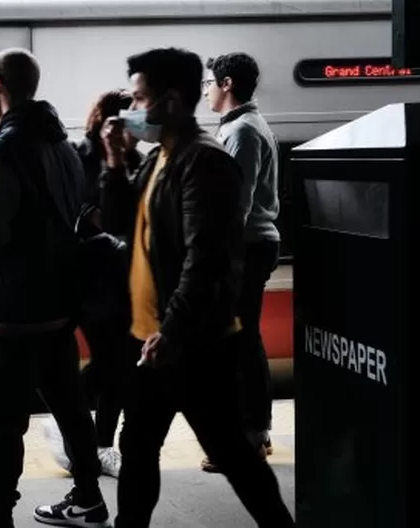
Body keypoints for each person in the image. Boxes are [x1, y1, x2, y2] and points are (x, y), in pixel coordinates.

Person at [99, 47, 295, 527]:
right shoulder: (159, 159)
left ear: (168, 100)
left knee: (231, 452)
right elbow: (123, 224)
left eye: (140, 98)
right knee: (139, 447)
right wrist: (115, 162)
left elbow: (205, 260)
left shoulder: (204, 162)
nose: (134, 109)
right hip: (156, 339)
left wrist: (174, 331)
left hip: (190, 343)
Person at [0, 48, 111, 528]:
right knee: (71, 409)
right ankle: (88, 497)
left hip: (7, 313)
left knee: (1, 421)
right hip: (58, 307)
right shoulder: (62, 149)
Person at [43, 90, 142, 478]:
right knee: (113, 361)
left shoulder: (135, 161)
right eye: (130, 120)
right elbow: (72, 213)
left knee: (119, 364)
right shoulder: (80, 157)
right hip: (89, 276)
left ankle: (101, 442)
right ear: (108, 122)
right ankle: (79, 425)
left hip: (126, 278)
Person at [203, 52, 281, 471]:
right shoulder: (243, 126)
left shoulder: (244, 132)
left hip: (246, 247)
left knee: (240, 340)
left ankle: (249, 437)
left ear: (227, 84)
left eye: (209, 83)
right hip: (249, 246)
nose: (205, 90)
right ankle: (252, 433)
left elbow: (236, 203)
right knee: (241, 339)